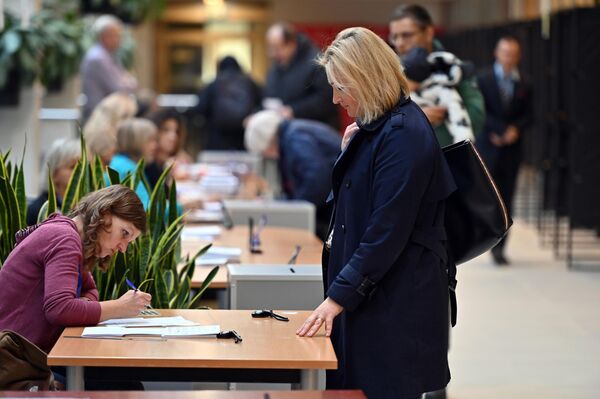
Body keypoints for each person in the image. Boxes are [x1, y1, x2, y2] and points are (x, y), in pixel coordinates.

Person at [295, 27, 456, 399]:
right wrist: (348, 153)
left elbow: (386, 230)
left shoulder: (402, 134)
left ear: (365, 79)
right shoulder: (378, 127)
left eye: (341, 86)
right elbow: (350, 207)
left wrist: (337, 298)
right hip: (371, 293)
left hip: (393, 302)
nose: (335, 98)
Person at [0, 185, 151, 355]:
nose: (123, 248)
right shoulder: (64, 238)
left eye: (129, 241)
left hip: (31, 354)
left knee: (120, 380)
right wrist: (119, 307)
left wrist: (80, 305)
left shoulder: (72, 237)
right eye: (124, 233)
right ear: (105, 213)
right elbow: (59, 309)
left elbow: (90, 289)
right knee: (121, 381)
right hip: (15, 361)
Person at [389, 4, 485, 147]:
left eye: (406, 35)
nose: (399, 43)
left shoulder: (453, 68)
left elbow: (476, 117)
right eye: (394, 37)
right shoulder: (389, 73)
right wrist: (413, 117)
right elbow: (377, 119)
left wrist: (443, 114)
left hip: (447, 157)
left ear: (428, 33)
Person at [476, 36, 532, 265]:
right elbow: (480, 109)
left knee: (507, 198)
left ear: (518, 56)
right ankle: (485, 239)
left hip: (512, 149)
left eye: (513, 54)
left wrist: (514, 130)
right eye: (505, 52)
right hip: (488, 146)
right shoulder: (483, 79)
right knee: (488, 196)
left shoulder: (526, 83)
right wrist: (496, 130)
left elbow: (529, 115)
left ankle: (500, 247)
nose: (508, 57)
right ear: (497, 54)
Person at [244, 110, 341, 240]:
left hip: (335, 208)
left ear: (267, 143)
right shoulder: (292, 133)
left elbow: (316, 179)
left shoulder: (295, 138)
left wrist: (296, 208)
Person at [264, 22, 339, 129]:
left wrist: (294, 110)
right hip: (289, 129)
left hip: (316, 131)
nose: (272, 53)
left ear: (291, 44)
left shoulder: (317, 61)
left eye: (276, 48)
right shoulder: (278, 65)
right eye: (270, 47)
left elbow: (326, 99)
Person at [402, 47, 474, 144]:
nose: (404, 83)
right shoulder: (403, 92)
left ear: (417, 79)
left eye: (408, 79)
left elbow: (458, 114)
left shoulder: (442, 91)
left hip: (439, 142)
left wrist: (463, 142)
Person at [195, 56, 262, 150]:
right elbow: (263, 105)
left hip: (217, 139)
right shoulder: (250, 83)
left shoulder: (213, 84)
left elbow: (200, 108)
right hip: (244, 139)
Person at [80, 15, 137, 120]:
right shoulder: (98, 58)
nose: (119, 39)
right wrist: (130, 81)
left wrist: (128, 81)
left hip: (108, 114)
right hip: (99, 117)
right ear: (103, 36)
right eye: (115, 35)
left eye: (119, 35)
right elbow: (118, 88)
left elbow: (126, 81)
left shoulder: (109, 55)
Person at [27, 139, 81, 226]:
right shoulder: (37, 210)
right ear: (54, 173)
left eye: (82, 167)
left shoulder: (84, 206)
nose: (80, 172)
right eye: (73, 167)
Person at [109, 118, 158, 209]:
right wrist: (179, 206)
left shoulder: (119, 161)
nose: (155, 146)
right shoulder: (129, 169)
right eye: (150, 140)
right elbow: (147, 209)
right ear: (136, 142)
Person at [84, 92, 138, 165]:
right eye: (125, 117)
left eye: (131, 116)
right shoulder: (102, 137)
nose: (129, 121)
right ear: (111, 116)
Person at [145, 108, 193, 188]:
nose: (173, 137)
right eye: (165, 130)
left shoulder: (162, 163)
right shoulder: (149, 167)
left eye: (176, 131)